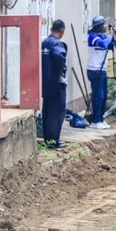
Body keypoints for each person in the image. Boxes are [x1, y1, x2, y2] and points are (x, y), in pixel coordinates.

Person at [41, 19, 68, 148]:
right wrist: (63, 68)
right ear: (62, 31)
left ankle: (47, 139)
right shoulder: (57, 44)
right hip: (57, 83)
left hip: (45, 83)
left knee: (47, 110)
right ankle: (53, 141)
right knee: (57, 112)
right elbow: (59, 56)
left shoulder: (44, 42)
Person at [86, 15, 115, 130]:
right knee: (98, 96)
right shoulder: (92, 37)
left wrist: (113, 37)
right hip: (94, 70)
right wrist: (111, 35)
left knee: (104, 95)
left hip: (102, 70)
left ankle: (101, 118)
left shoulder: (102, 36)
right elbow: (103, 44)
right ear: (100, 26)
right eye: (104, 24)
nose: (106, 26)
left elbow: (110, 46)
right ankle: (95, 120)